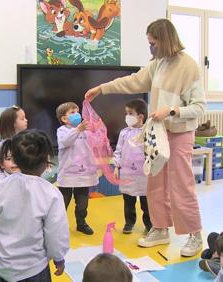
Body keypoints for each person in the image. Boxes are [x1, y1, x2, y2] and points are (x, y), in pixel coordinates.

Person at [85, 18, 206, 256]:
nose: (150, 47)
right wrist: (101, 88)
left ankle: (195, 235)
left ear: (164, 40)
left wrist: (172, 111)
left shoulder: (189, 66)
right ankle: (160, 229)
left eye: (153, 42)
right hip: (157, 133)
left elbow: (200, 108)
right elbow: (132, 81)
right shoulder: (158, 64)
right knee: (155, 184)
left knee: (182, 186)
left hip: (179, 133)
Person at [0, 129, 69, 282]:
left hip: (1, 264)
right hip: (32, 269)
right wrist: (59, 258)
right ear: (46, 162)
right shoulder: (51, 194)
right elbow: (56, 233)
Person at [56, 102, 98, 235]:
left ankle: (81, 223)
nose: (77, 114)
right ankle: (57, 226)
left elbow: (93, 146)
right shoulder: (62, 130)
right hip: (68, 174)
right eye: (72, 112)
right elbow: (64, 142)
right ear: (64, 119)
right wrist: (77, 130)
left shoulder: (85, 131)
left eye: (77, 111)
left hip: (83, 174)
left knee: (82, 204)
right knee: (63, 203)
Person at [113, 99, 152, 234]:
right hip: (127, 174)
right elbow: (118, 150)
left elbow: (152, 151)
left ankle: (149, 224)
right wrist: (117, 167)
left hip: (144, 174)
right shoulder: (124, 133)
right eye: (126, 113)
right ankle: (129, 222)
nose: (126, 116)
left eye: (130, 113)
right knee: (128, 201)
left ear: (140, 116)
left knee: (146, 202)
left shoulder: (148, 132)